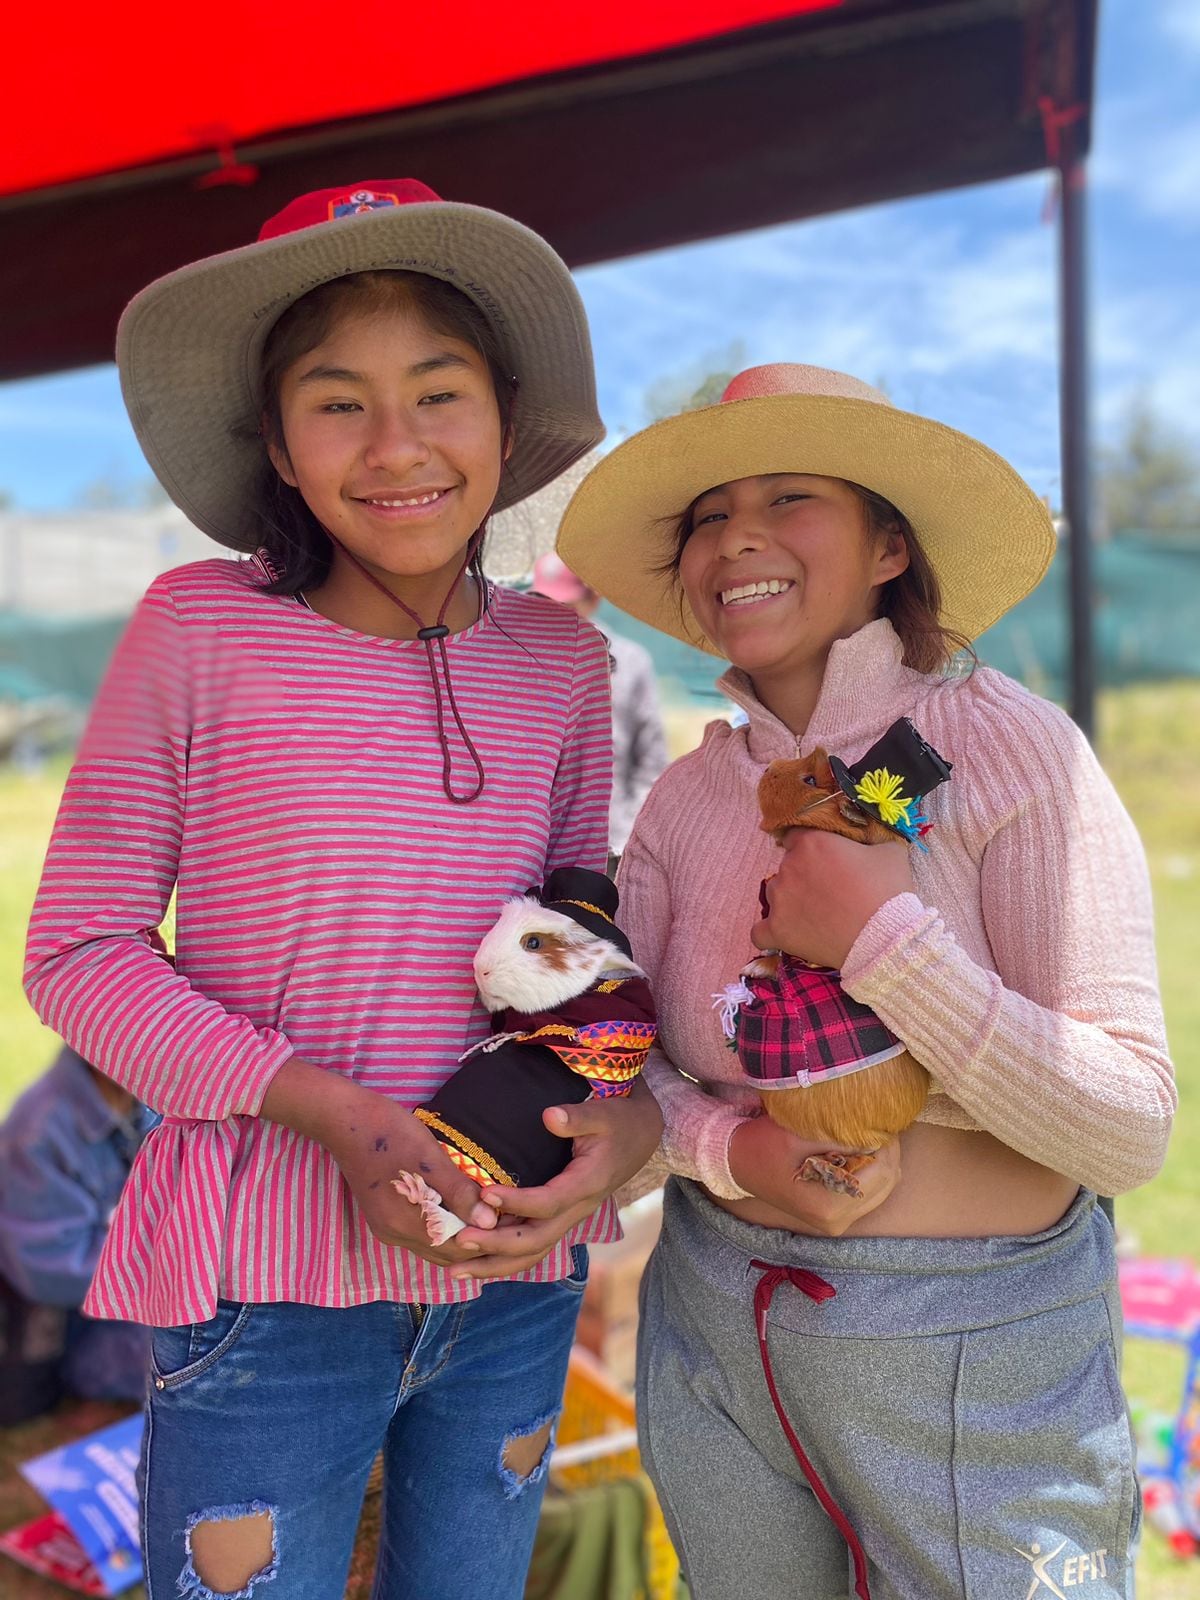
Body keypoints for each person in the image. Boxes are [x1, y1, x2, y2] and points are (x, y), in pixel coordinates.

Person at [23, 179, 662, 1600]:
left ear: (502, 415)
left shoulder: (562, 664)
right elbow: (78, 952)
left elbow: (582, 958)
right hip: (268, 1281)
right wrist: (343, 1121)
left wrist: (623, 1125)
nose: (397, 448)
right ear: (276, 445)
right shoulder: (200, 629)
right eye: (337, 404)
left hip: (515, 1272)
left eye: (438, 394)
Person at [557, 363, 1175, 1599]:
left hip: (977, 1365)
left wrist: (886, 939)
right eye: (708, 517)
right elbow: (636, 1070)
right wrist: (735, 1152)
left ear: (891, 542)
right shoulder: (686, 800)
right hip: (720, 1337)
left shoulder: (1015, 753)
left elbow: (1128, 1121)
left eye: (791, 497)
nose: (739, 538)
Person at [0, 1043, 153, 1424]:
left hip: (131, 1290)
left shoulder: (145, 1098)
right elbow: (51, 1271)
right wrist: (166, 1260)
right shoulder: (38, 1131)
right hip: (74, 1323)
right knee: (195, 1357)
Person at [532, 553, 668, 860]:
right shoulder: (518, 657)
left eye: (566, 605)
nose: (554, 613)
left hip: (609, 840)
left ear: (593, 598)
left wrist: (631, 833)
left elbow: (651, 759)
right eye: (543, 602)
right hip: (534, 844)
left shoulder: (630, 662)